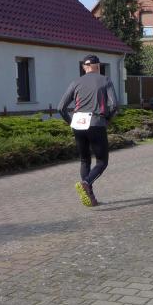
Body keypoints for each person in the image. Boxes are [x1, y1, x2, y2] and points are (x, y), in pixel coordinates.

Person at [58, 55, 118, 207]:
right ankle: (86, 182)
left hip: (78, 124)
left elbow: (61, 108)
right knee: (102, 161)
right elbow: (114, 105)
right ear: (98, 66)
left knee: (85, 160)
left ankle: (90, 197)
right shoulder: (105, 80)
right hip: (96, 122)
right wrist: (107, 120)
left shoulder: (75, 82)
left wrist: (71, 122)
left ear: (84, 67)